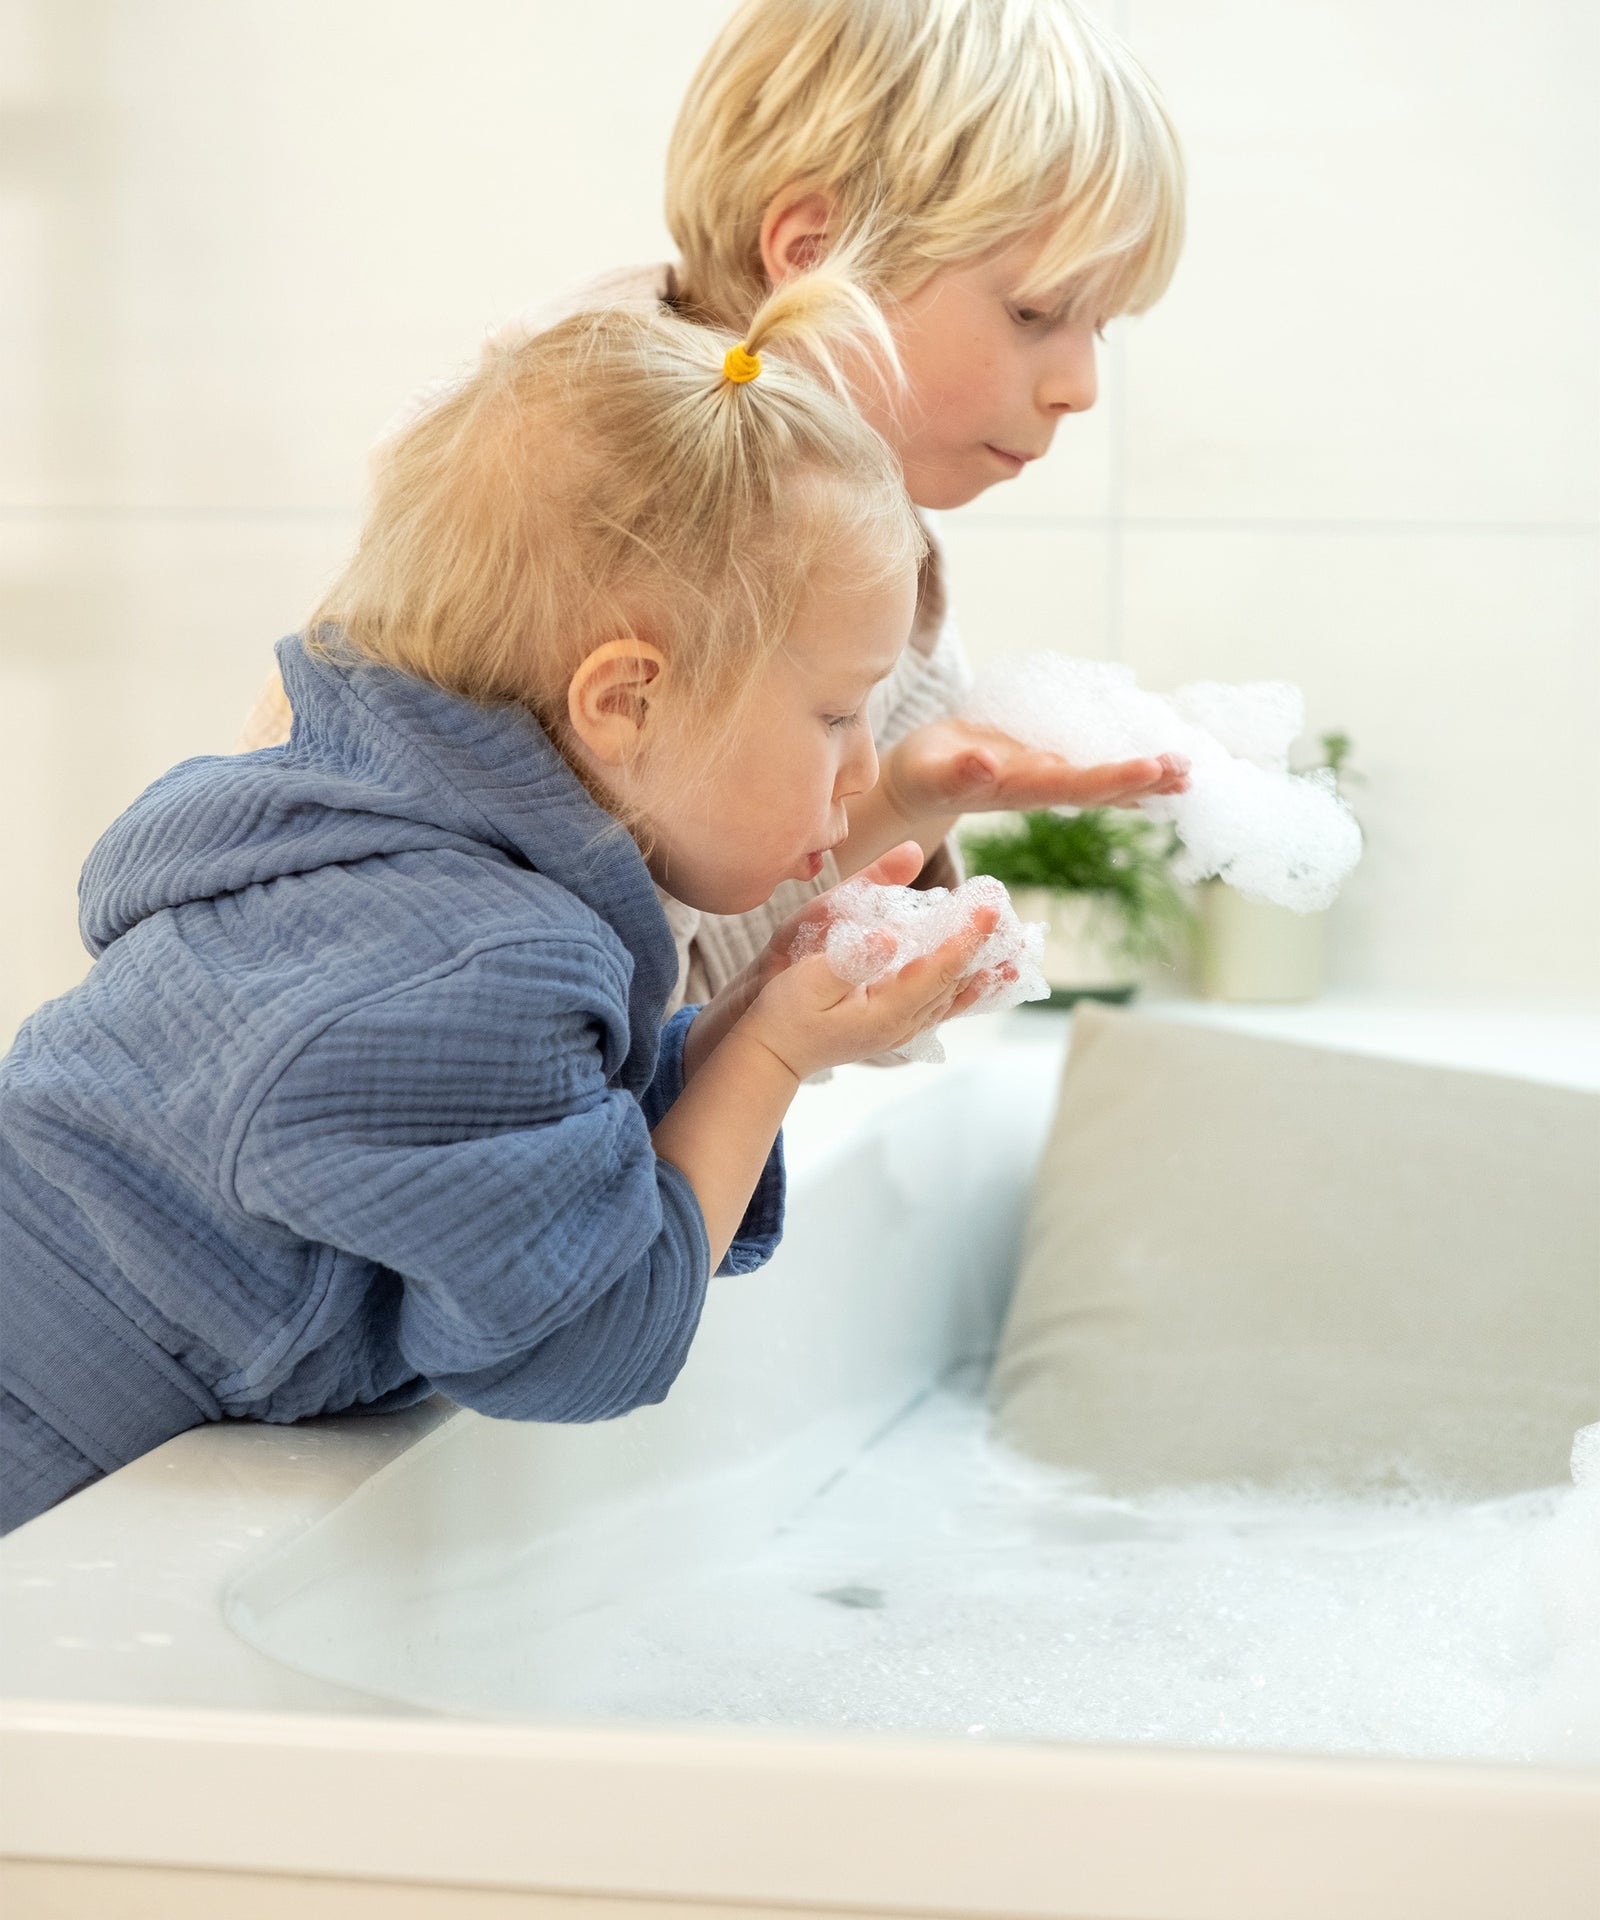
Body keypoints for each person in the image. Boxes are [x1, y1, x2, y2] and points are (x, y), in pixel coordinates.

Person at [0, 271, 1008, 1534]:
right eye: (831, 714)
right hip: (46, 1465)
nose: (863, 767)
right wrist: (774, 1053)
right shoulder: (490, 962)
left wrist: (736, 1020)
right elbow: (582, 1342)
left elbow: (518, 1140)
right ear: (624, 703)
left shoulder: (347, 834)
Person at [236, 0, 1191, 1008]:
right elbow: (573, 1029)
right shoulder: (572, 501)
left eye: (1101, 326)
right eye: (1036, 312)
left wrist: (909, 795)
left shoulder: (873, 568)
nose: (1079, 385)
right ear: (814, 251)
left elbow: (685, 999)